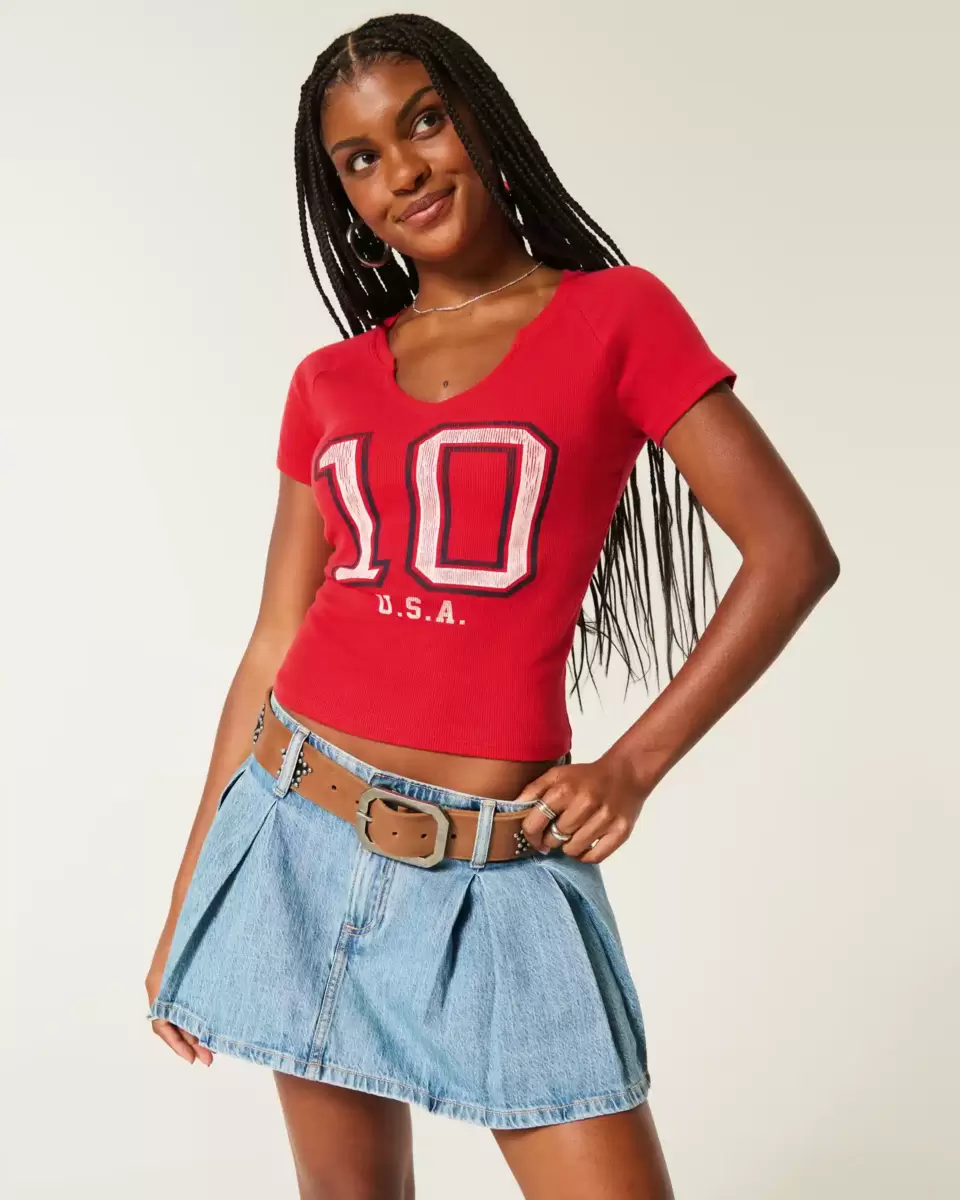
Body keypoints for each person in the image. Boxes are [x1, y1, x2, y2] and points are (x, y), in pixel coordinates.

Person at [145, 13, 840, 1199]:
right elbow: (273, 642)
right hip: (298, 833)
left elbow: (790, 554)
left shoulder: (619, 315)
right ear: (343, 196)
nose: (404, 170)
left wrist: (630, 769)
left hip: (502, 866)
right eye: (362, 158)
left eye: (424, 122)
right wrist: (191, 902)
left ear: (480, 120)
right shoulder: (326, 382)